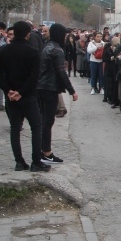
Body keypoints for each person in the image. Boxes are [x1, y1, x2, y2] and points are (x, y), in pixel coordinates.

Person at [0, 21, 50, 172]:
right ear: (27, 34)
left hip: (11, 96)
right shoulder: (32, 52)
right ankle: (36, 161)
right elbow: (34, 76)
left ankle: (19, 161)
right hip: (28, 95)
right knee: (36, 126)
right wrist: (21, 92)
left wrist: (9, 90)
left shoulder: (4, 51)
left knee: (15, 128)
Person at [37, 24, 78, 164]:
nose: (66, 37)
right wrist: (72, 90)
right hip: (50, 88)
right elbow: (61, 72)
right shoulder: (57, 50)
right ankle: (46, 152)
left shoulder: (46, 46)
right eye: (64, 35)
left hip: (40, 87)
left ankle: (41, 150)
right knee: (48, 121)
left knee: (43, 120)